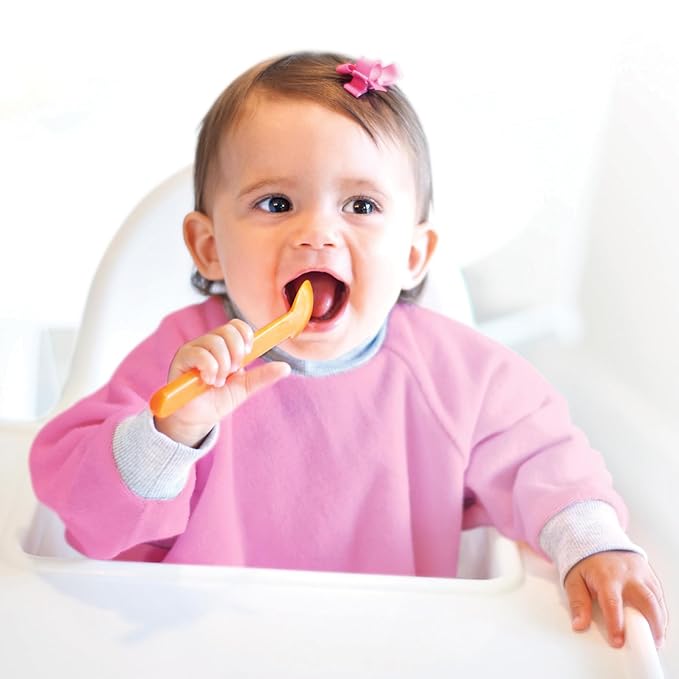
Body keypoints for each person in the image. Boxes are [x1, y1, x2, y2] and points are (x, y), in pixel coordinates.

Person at [30, 51, 666, 649]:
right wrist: (170, 432)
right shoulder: (181, 364)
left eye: (361, 205)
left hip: (389, 646)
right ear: (209, 247)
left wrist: (590, 542)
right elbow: (83, 515)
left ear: (412, 254)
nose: (317, 233)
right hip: (201, 644)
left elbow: (542, 461)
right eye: (276, 203)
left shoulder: (459, 377)